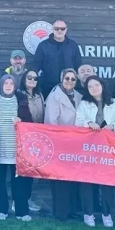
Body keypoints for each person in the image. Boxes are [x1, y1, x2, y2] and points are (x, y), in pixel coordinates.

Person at [75, 76, 115, 228]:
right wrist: (88, 123)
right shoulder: (84, 104)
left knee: (107, 181)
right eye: (90, 86)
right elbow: (78, 122)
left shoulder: (114, 102)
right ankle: (88, 214)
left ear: (102, 86)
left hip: (108, 147)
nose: (94, 88)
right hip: (89, 148)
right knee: (87, 181)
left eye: (96, 85)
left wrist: (112, 127)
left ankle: (106, 214)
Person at [0, 75, 33, 221]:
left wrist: (21, 121)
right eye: (5, 82)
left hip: (16, 149)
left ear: (15, 86)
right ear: (1, 85)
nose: (8, 85)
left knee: (18, 182)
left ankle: (21, 211)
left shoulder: (21, 101)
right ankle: (1, 210)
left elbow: (29, 122)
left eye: (11, 83)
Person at [44, 68, 83, 221]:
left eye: (73, 79)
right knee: (60, 179)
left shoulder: (79, 97)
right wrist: (57, 141)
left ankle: (72, 209)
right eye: (67, 78)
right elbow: (51, 121)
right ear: (62, 79)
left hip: (76, 143)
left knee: (73, 178)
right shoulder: (54, 97)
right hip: (60, 142)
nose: (70, 81)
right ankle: (60, 212)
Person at [19, 69, 45, 214]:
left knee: (31, 171)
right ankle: (19, 200)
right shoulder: (18, 94)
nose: (32, 80)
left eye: (35, 78)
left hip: (37, 138)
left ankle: (27, 199)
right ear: (24, 79)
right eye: (29, 77)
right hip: (23, 137)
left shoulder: (39, 95)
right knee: (21, 171)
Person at [31, 20, 82, 93]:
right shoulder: (43, 45)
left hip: (69, 86)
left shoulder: (73, 45)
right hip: (48, 87)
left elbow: (78, 66)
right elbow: (36, 65)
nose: (59, 31)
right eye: (57, 28)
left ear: (66, 30)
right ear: (52, 29)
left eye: (62, 29)